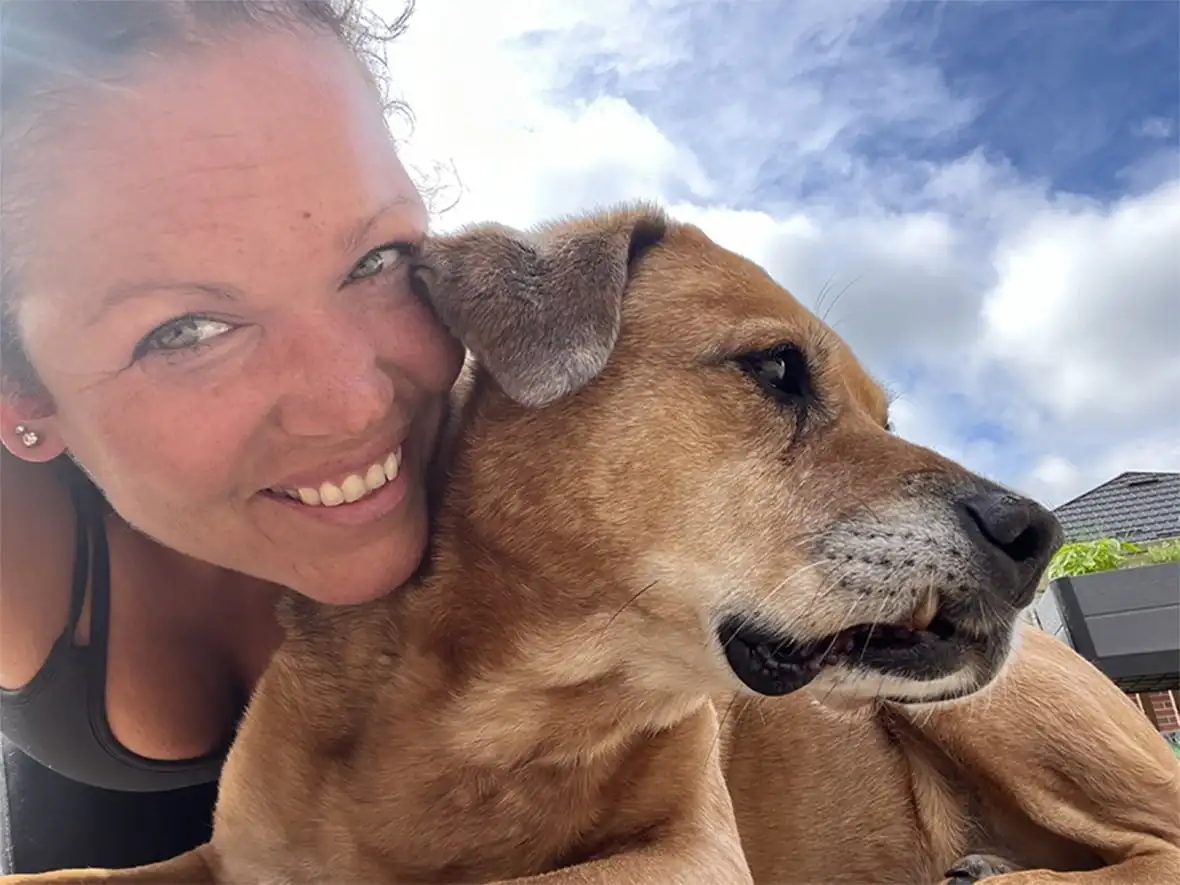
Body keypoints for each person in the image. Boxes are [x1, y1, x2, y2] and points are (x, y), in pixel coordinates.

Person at [0, 1, 745, 877]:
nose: (354, 405)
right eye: (187, 330)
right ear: (24, 400)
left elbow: (694, 849)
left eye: (375, 261)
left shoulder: (529, 483)